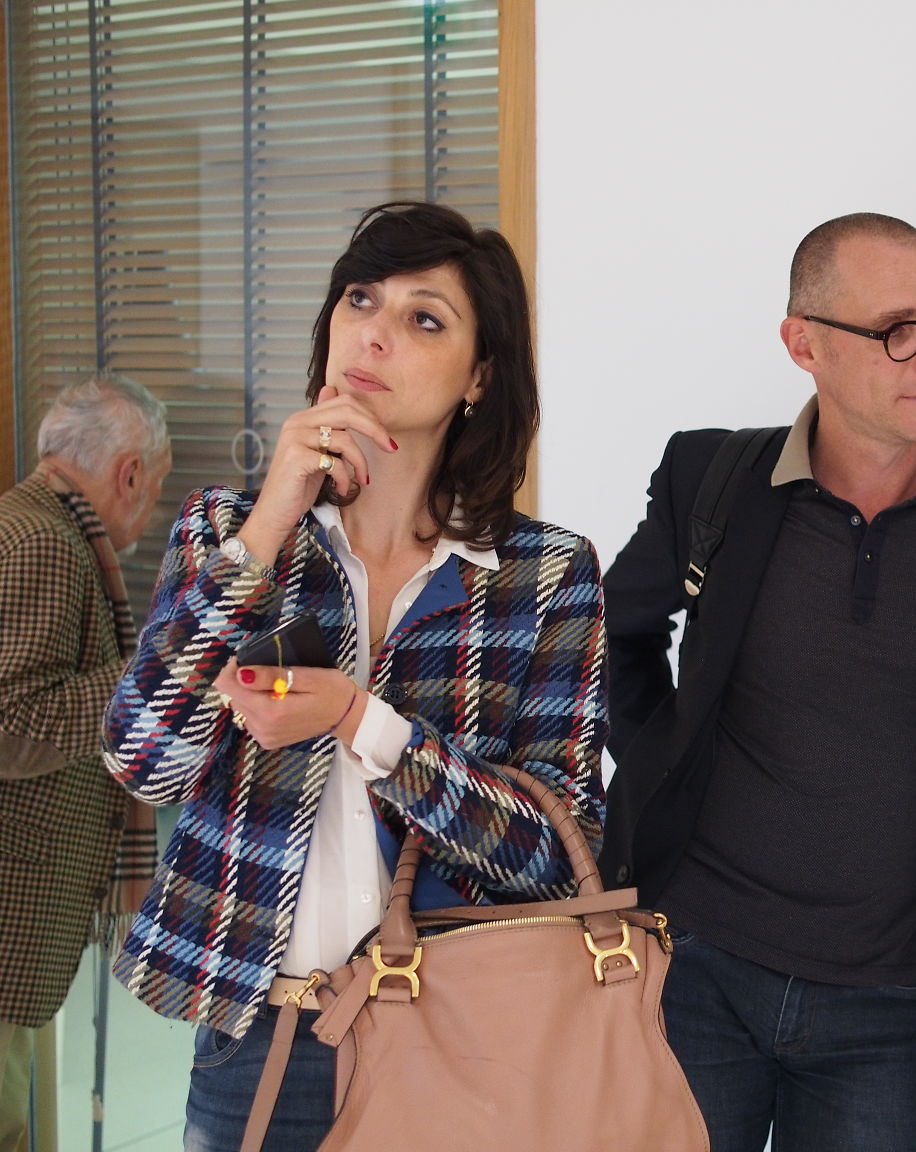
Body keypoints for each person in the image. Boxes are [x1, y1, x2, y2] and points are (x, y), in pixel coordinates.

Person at [103, 201, 607, 1152]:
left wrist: (364, 726)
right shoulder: (229, 532)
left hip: (462, 1035)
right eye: (360, 299)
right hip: (258, 1033)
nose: (374, 333)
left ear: (480, 375)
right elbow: (142, 761)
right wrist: (268, 524)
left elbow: (554, 851)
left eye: (425, 318)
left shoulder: (544, 574)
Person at [600, 212, 916, 1152]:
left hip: (889, 1009)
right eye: (897, 330)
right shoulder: (712, 477)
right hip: (693, 968)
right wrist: (663, 754)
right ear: (804, 345)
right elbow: (609, 635)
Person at [0, 374, 171, 1152]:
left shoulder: (38, 527)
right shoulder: (44, 543)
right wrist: (147, 676)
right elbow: (11, 721)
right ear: (129, 474)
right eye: (157, 487)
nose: (153, 510)